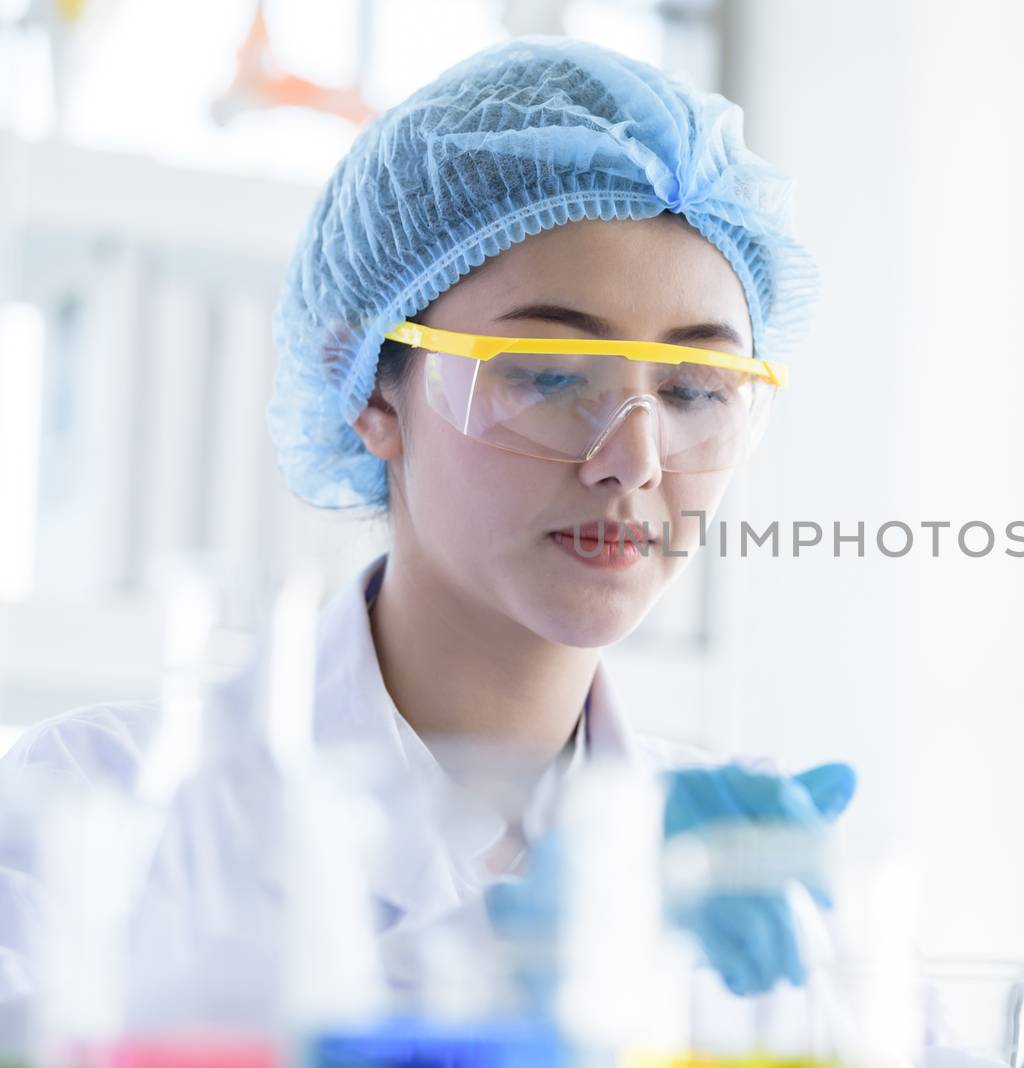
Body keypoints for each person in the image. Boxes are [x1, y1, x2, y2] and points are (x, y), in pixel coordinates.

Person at [0, 34, 851, 1017]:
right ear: (370, 389)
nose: (634, 460)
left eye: (697, 389)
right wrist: (522, 947)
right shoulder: (105, 810)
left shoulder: (733, 869)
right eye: (547, 375)